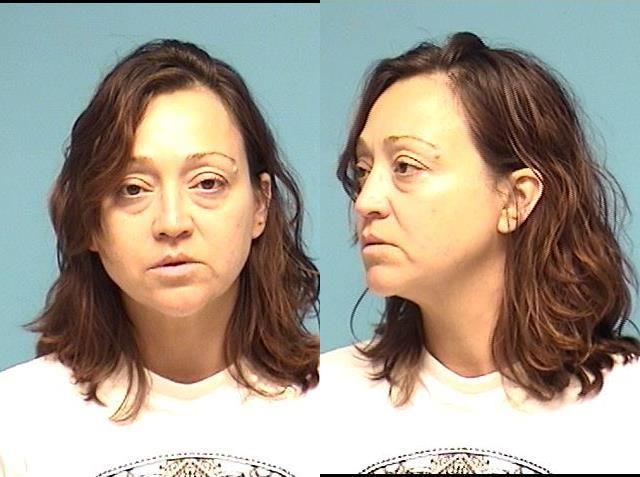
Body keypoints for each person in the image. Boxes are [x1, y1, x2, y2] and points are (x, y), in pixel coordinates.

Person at [320, 31, 640, 474]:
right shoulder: (320, 402)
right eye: (363, 170)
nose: (366, 202)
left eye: (406, 166)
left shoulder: (627, 410)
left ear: (516, 198)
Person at [0, 39, 319, 477]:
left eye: (207, 183)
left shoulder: (339, 407)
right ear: (89, 220)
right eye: (133, 188)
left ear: (260, 204)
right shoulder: (15, 421)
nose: (172, 222)